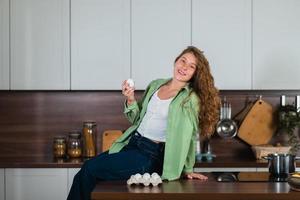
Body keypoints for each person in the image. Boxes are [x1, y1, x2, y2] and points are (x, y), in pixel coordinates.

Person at [67, 46, 220, 200]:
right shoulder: (156, 85)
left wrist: (187, 169)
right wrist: (131, 99)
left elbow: (188, 135)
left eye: (191, 66)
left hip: (150, 155)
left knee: (89, 169)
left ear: (195, 73)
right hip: (131, 144)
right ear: (176, 61)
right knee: (86, 174)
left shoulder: (190, 98)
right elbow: (137, 120)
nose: (184, 67)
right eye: (183, 61)